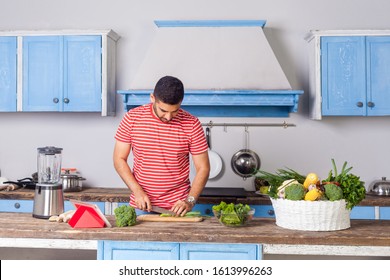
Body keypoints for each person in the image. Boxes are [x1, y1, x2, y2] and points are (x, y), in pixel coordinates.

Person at [113, 76, 210, 216]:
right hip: (142, 206)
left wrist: (190, 200)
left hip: (178, 209)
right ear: (152, 98)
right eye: (163, 110)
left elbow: (203, 168)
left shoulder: (192, 124)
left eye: (175, 111)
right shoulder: (132, 118)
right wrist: (137, 191)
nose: (169, 117)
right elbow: (118, 159)